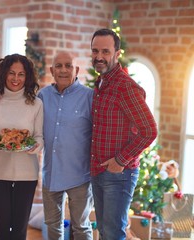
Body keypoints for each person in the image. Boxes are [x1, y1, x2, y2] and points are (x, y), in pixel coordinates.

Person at [90, 28, 157, 239]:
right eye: (95, 51)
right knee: (104, 230)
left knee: (112, 233)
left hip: (119, 174)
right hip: (99, 170)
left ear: (117, 54)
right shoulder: (101, 83)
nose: (99, 57)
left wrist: (120, 160)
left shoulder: (125, 87)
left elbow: (150, 131)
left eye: (105, 51)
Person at [0, 54, 44, 240]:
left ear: (27, 77)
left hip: (27, 174)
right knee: (1, 229)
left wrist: (36, 146)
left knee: (19, 231)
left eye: (21, 74)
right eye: (11, 73)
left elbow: (39, 137)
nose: (16, 78)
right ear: (4, 74)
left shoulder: (36, 104)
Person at [38, 51, 94, 240]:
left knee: (81, 227)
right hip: (51, 173)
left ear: (76, 70)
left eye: (68, 66)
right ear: (52, 70)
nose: (63, 70)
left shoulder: (89, 97)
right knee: (52, 225)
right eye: (59, 66)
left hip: (80, 175)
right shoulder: (42, 96)